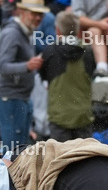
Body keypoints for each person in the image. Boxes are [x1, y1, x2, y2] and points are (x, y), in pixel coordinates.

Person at [0, 0, 47, 153]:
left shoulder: (26, 31)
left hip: (20, 97)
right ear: (22, 12)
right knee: (13, 150)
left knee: (20, 149)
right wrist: (27, 66)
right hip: (10, 97)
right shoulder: (12, 33)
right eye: (34, 14)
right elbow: (3, 66)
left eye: (40, 15)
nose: (38, 18)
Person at [39, 10, 95, 141]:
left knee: (61, 153)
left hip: (59, 117)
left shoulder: (50, 51)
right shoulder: (88, 51)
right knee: (84, 153)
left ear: (58, 30)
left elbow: (44, 79)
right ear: (78, 30)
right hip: (83, 116)